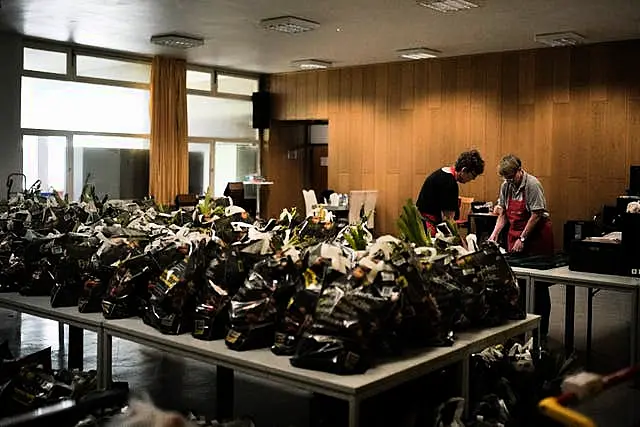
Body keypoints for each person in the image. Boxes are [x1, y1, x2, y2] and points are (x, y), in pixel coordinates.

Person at [488, 154, 554, 338]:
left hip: (536, 237)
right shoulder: (506, 186)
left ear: (519, 170)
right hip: (515, 235)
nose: (509, 181)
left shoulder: (532, 184)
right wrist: (494, 236)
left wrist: (523, 238)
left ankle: (542, 330)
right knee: (518, 284)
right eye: (505, 178)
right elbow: (503, 214)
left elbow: (536, 214)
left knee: (539, 287)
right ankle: (521, 328)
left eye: (511, 177)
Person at [416, 149, 485, 237]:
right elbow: (448, 219)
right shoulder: (450, 183)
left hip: (422, 222)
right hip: (428, 226)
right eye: (473, 175)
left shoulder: (442, 173)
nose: (472, 179)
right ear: (464, 170)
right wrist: (458, 240)